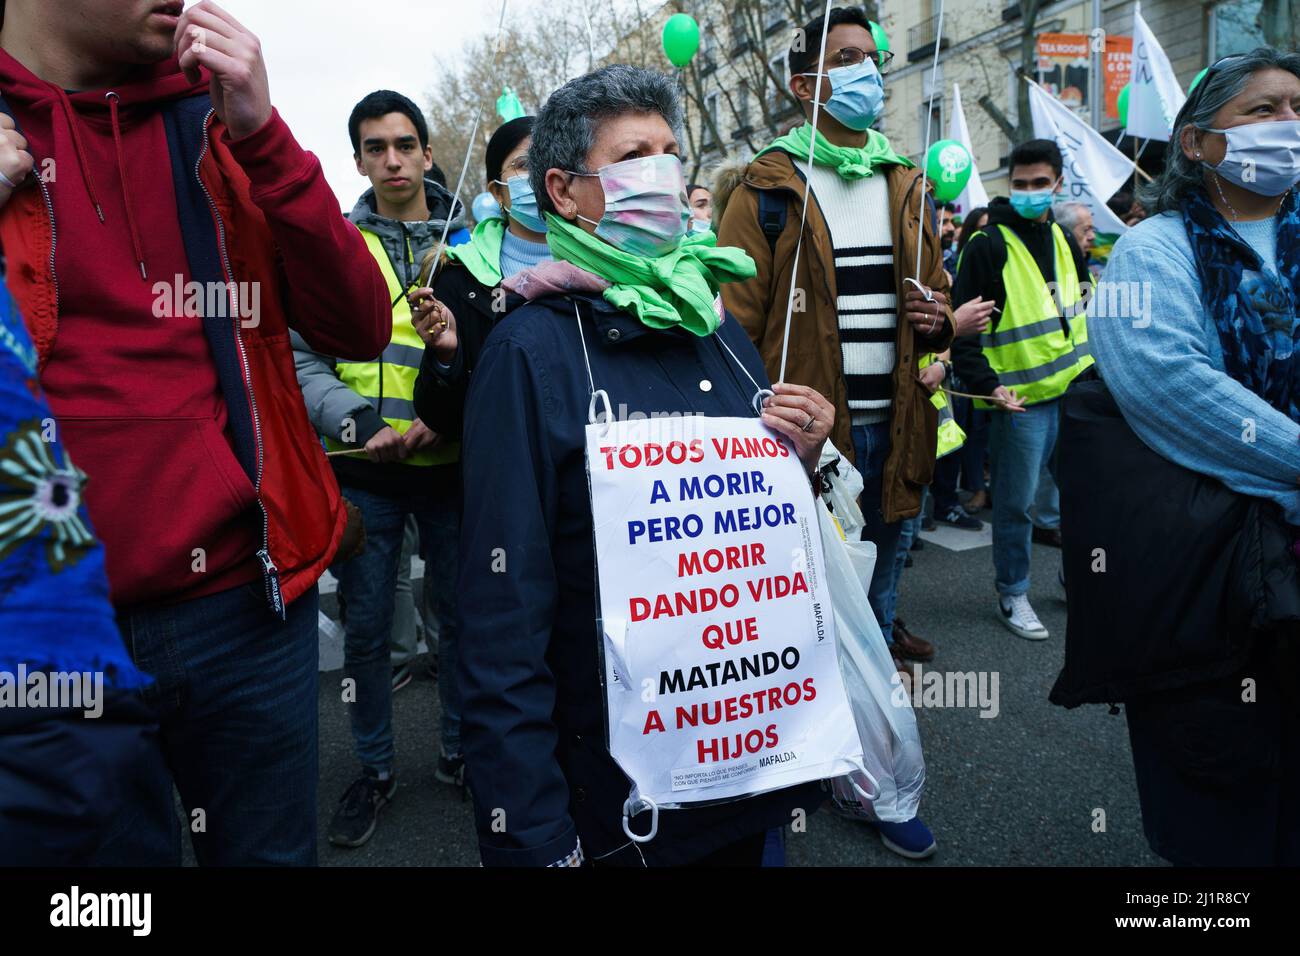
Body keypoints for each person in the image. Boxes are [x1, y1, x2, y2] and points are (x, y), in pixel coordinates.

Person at [0, 0, 390, 865]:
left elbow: (359, 325)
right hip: (42, 635)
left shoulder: (216, 117)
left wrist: (266, 137)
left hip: (242, 610)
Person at [451, 64, 836, 867]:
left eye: (670, 150)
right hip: (619, 798)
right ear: (564, 191)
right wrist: (530, 837)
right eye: (634, 155)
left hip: (748, 768)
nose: (662, 172)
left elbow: (761, 522)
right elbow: (501, 619)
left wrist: (800, 452)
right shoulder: (530, 353)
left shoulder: (712, 320)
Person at [714, 6, 949, 861]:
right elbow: (730, 329)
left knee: (873, 610)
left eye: (873, 58)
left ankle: (867, 774)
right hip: (811, 448)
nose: (868, 73)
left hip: (900, 436)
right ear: (803, 83)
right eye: (846, 59)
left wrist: (942, 325)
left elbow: (938, 302)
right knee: (801, 618)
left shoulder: (906, 179)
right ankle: (784, 781)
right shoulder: (765, 187)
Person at [1075, 49, 1300, 865]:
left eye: (1298, 105)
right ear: (1200, 144)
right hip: (1209, 576)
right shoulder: (1153, 253)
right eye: (1263, 109)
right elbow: (1175, 389)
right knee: (1222, 803)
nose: (1290, 125)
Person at [290, 89, 464, 848]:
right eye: (374, 148)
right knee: (367, 635)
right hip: (365, 467)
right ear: (357, 159)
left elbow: (498, 344)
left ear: (427, 152)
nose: (391, 160)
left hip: (453, 463)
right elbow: (301, 357)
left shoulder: (475, 237)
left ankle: (462, 755)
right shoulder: (332, 245)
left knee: (464, 623)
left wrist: (447, 416)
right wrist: (359, 423)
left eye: (404, 144)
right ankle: (375, 771)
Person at [951, 141, 1093, 642]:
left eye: (1040, 183)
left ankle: (1074, 578)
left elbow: (1078, 315)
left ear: (1057, 183)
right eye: (1020, 183)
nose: (1030, 192)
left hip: (1073, 395)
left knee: (1084, 498)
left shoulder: (1063, 239)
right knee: (1015, 505)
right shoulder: (987, 246)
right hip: (1022, 404)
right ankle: (1012, 592)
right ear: (1009, 184)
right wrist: (991, 387)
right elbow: (963, 333)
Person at [411, 115, 554, 440]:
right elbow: (442, 418)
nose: (541, 174)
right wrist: (446, 357)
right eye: (524, 164)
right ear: (498, 192)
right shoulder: (458, 277)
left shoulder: (609, 265)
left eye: (551, 159)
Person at [940, 201, 958, 275]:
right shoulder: (919, 261)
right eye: (944, 222)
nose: (952, 228)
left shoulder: (952, 257)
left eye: (952, 222)